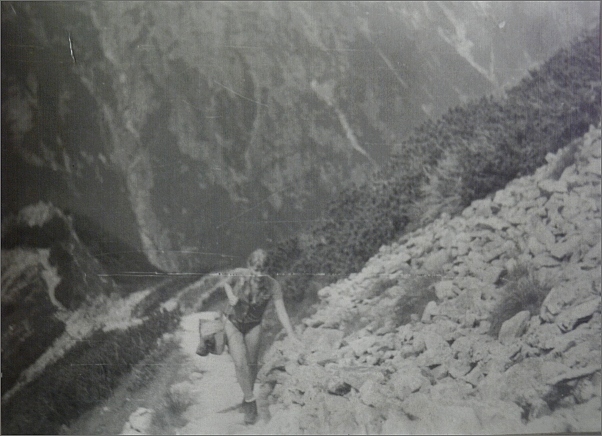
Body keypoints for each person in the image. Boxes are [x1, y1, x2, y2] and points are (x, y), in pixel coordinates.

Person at [214, 248, 300, 425]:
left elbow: (281, 311)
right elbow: (226, 283)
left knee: (252, 365)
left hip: (254, 325)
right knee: (240, 362)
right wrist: (231, 296)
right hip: (233, 322)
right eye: (256, 270)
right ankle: (250, 401)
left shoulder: (273, 285)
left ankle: (247, 396)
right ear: (249, 266)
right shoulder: (239, 273)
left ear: (268, 269)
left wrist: (291, 335)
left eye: (263, 270)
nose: (259, 274)